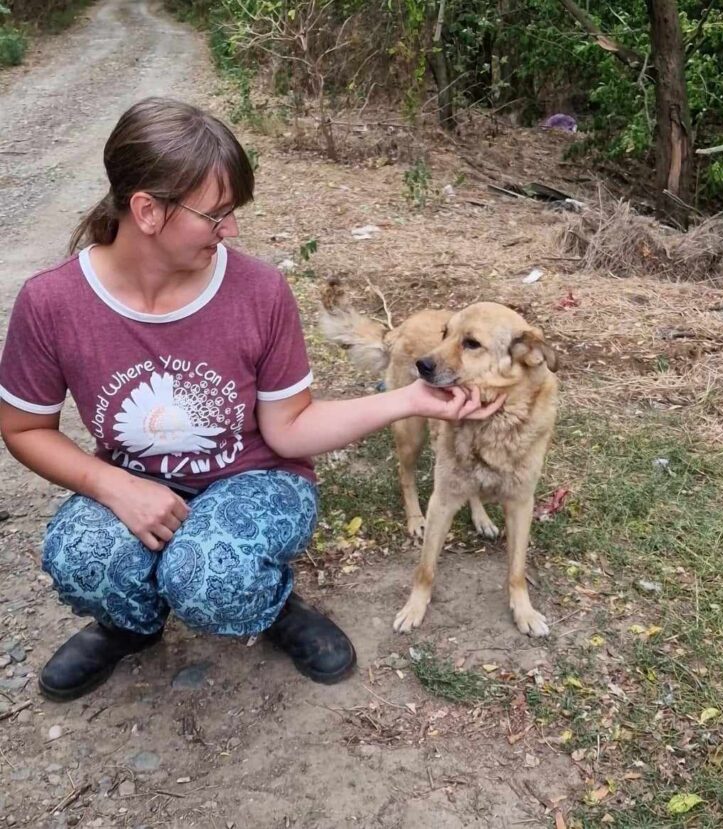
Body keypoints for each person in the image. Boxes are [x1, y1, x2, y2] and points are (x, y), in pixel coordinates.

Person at [0, 97, 503, 702]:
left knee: (213, 577)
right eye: (216, 216)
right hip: (133, 477)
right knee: (79, 556)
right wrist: (112, 486)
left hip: (257, 481)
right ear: (147, 211)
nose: (231, 230)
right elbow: (25, 428)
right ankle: (129, 624)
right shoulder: (52, 303)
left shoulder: (258, 290)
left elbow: (290, 430)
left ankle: (273, 604)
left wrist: (413, 400)